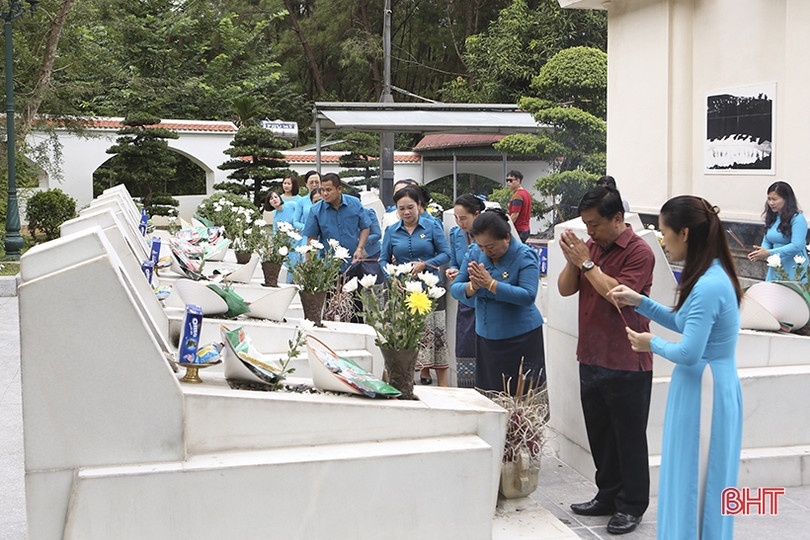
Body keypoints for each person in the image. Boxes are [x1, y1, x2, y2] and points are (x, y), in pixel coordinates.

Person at [610, 195, 743, 540]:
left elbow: (689, 351)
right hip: (700, 386)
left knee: (696, 482)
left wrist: (649, 343)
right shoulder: (709, 275)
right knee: (687, 475)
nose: (663, 242)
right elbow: (684, 322)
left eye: (665, 233)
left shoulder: (709, 284)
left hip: (706, 389)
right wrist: (640, 301)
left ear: (684, 233)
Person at [557, 185, 655, 535]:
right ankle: (607, 494)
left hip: (627, 357)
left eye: (595, 224)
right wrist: (574, 260)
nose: (590, 231)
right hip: (592, 353)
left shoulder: (640, 252)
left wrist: (586, 262)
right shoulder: (592, 247)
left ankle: (632, 505)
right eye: (586, 224)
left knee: (628, 438)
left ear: (618, 218)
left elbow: (618, 296)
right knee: (600, 434)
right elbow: (565, 289)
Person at [450, 208, 545, 395]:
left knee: (522, 396)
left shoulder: (525, 255)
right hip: (486, 337)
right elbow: (456, 289)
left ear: (507, 238)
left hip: (520, 337)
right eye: (481, 246)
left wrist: (491, 284)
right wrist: (473, 287)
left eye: (490, 247)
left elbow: (527, 296)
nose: (486, 251)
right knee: (491, 393)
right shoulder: (475, 253)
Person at [382, 185, 451, 387]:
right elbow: (383, 259)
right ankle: (404, 380)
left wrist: (426, 264)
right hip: (403, 290)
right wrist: (392, 277)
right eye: (401, 208)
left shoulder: (432, 226)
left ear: (419, 205)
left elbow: (446, 254)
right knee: (404, 335)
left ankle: (443, 385)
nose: (406, 212)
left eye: (410, 207)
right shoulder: (392, 231)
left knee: (435, 334)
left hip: (429, 288)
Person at [445, 193, 485, 388]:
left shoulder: (488, 235)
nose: (459, 223)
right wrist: (454, 271)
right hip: (466, 299)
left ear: (476, 214)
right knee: (465, 350)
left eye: (463, 218)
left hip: (485, 299)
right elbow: (454, 261)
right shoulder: (455, 234)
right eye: (456, 217)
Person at [302, 173, 370, 270]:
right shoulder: (316, 210)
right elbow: (312, 240)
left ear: (339, 189)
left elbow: (365, 227)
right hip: (329, 267)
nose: (325, 193)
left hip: (354, 263)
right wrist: (310, 265)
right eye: (322, 190)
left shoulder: (355, 204)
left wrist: (360, 248)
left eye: (328, 190)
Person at [747, 180, 809, 282]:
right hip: (776, 265)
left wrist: (769, 252)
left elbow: (797, 245)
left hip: (794, 266)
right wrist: (761, 251)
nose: (771, 203)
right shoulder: (772, 218)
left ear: (786, 199)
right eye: (769, 199)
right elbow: (767, 240)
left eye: (774, 199)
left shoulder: (797, 218)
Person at [506, 170, 532, 242]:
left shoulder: (517, 196)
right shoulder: (526, 194)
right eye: (507, 180)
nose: (508, 183)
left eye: (510, 180)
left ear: (518, 180)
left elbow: (515, 215)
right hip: (526, 229)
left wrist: (506, 226)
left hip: (518, 230)